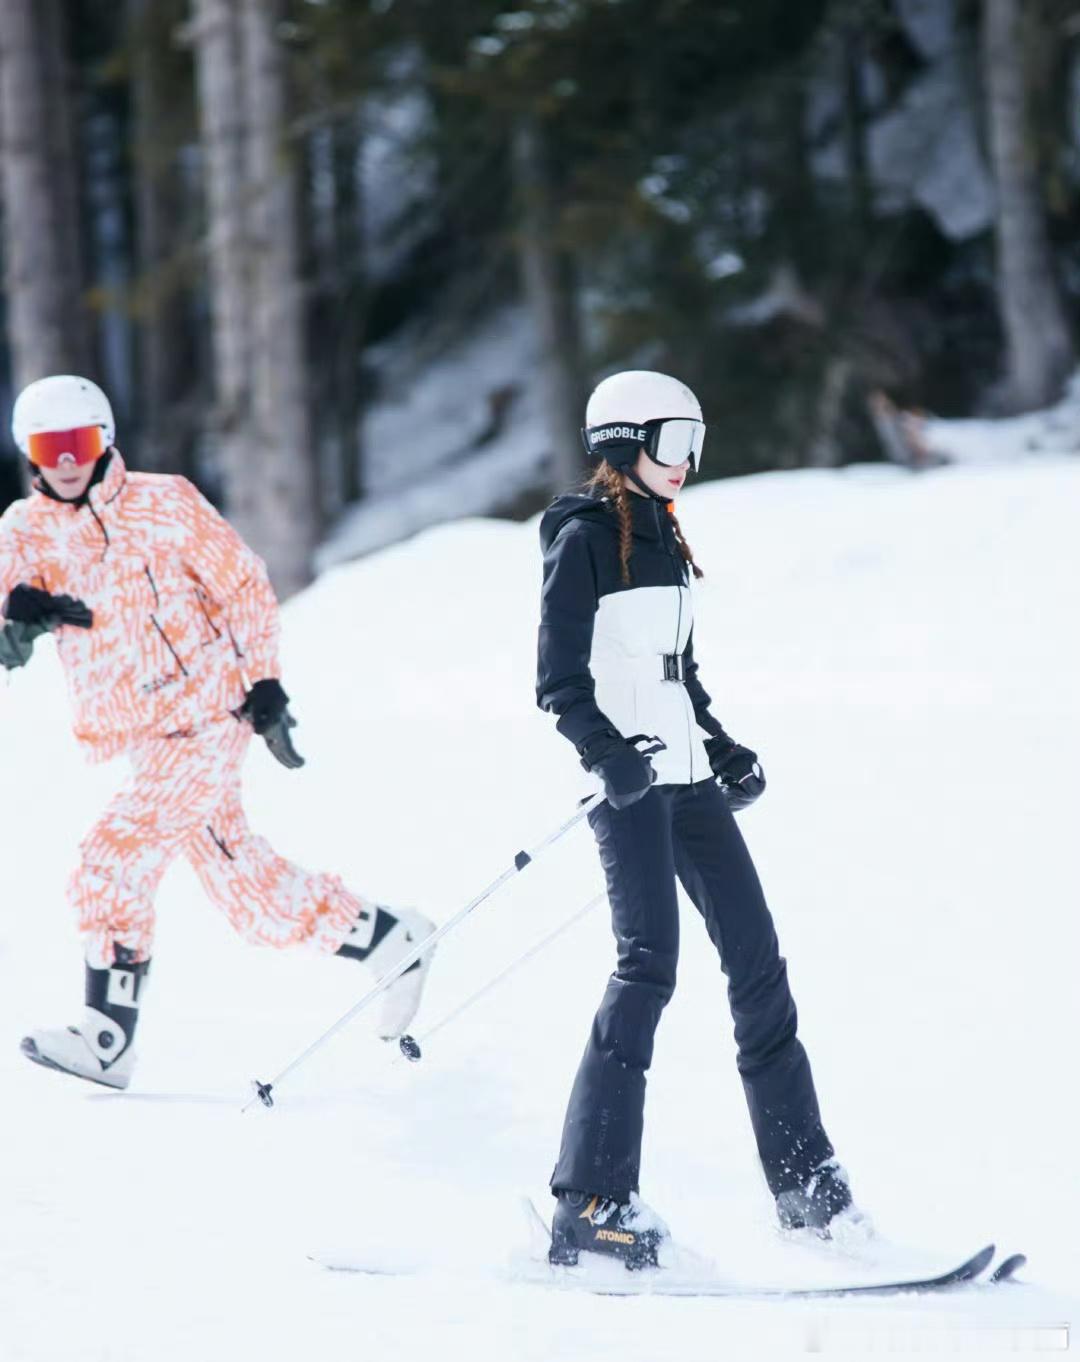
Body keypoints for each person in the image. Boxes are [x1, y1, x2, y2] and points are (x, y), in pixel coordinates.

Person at [1, 374, 434, 1091]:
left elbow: (243, 586)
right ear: (30, 453)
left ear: (103, 440)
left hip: (206, 714)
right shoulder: (24, 529)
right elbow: (9, 608)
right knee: (251, 897)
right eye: (51, 448)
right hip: (140, 736)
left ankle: (107, 1037)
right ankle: (393, 940)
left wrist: (264, 685)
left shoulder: (164, 502)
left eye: (79, 443)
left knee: (112, 861)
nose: (67, 462)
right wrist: (19, 622)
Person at [535, 370, 860, 1269]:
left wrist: (719, 748)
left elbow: (680, 675)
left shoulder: (667, 538)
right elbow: (559, 684)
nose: (686, 462)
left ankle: (807, 1182)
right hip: (631, 788)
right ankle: (591, 1203)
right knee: (647, 970)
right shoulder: (584, 542)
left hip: (687, 779)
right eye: (673, 442)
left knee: (758, 964)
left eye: (695, 444)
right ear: (620, 441)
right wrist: (610, 756)